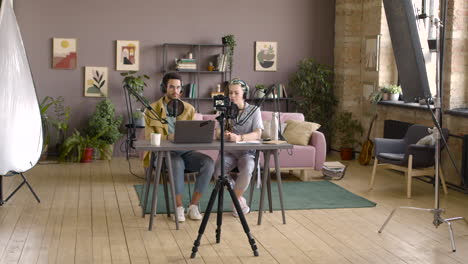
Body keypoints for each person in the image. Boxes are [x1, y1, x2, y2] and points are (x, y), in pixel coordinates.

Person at [143, 72, 214, 222]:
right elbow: (150, 138)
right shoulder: (152, 109)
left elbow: (194, 134)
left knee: (208, 163)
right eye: (171, 87)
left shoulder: (189, 109)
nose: (175, 91)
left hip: (185, 152)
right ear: (164, 88)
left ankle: (193, 206)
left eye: (178, 88)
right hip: (161, 155)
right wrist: (168, 137)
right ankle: (179, 207)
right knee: (176, 163)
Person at [214, 78, 263, 217]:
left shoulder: (254, 110)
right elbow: (217, 132)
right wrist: (223, 134)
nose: (232, 96)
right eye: (230, 93)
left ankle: (236, 200)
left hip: (247, 153)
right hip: (228, 152)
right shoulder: (224, 109)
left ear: (244, 93)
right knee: (218, 172)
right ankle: (239, 200)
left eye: (236, 93)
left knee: (247, 169)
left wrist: (240, 138)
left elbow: (258, 133)